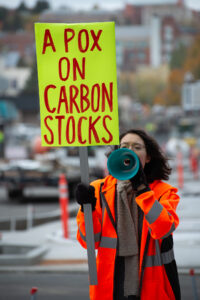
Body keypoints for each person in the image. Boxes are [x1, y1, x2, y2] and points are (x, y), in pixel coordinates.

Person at [76, 129, 181, 300]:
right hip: (110, 287)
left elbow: (163, 229)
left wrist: (143, 190)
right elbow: (90, 241)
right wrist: (85, 209)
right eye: (124, 146)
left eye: (137, 147)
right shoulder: (98, 189)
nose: (129, 151)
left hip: (151, 288)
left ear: (148, 157)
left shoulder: (164, 192)